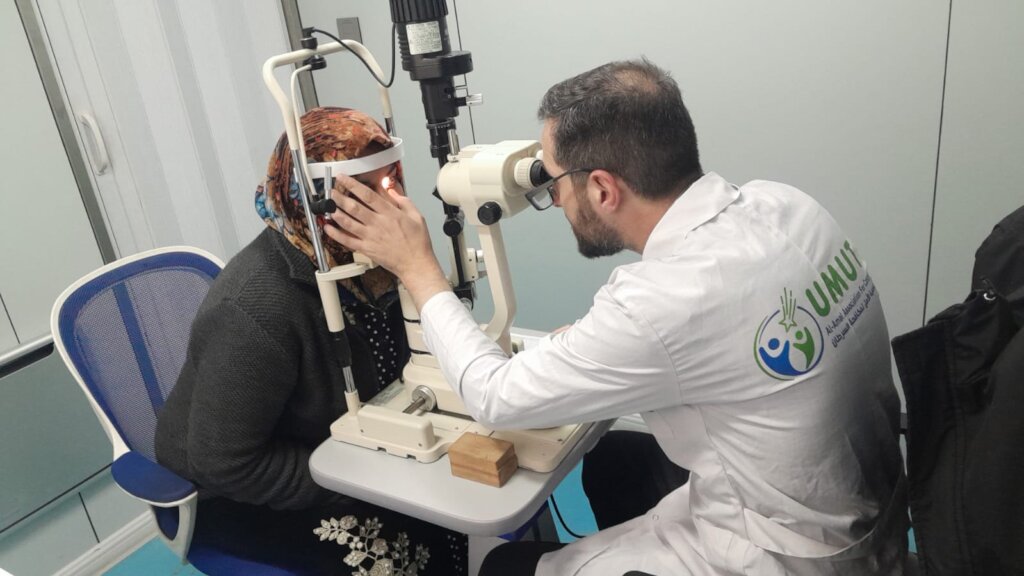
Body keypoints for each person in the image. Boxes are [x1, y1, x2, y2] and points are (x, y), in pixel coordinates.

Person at [325, 59, 909, 575]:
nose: (554, 198)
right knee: (613, 462)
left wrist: (417, 267)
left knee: (503, 566)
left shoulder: (665, 301)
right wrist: (599, 346)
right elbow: (711, 336)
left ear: (603, 189)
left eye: (554, 182)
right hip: (864, 511)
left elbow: (494, 397)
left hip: (786, 557)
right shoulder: (785, 204)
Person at [155, 107, 467, 575]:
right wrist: (362, 478)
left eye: (391, 184)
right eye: (365, 193)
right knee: (411, 555)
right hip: (254, 495)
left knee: (463, 514)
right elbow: (224, 463)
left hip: (354, 446)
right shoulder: (254, 309)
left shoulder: (372, 262)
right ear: (311, 197)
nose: (388, 207)